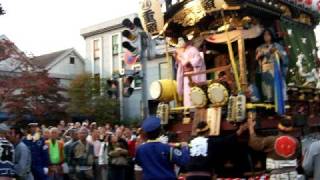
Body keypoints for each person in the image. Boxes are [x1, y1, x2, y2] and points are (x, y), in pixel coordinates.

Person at [248, 115, 299, 179]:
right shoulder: (296, 142)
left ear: (278, 127)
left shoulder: (271, 140)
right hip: (293, 175)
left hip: (277, 176)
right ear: (291, 129)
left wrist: (251, 128)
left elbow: (255, 143)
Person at [256, 29, 288, 114]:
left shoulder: (277, 45)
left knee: (277, 90)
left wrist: (276, 52)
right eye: (265, 35)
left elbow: (284, 57)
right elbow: (257, 58)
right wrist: (265, 52)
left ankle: (280, 111)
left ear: (271, 36)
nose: (266, 37)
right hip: (265, 72)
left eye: (268, 35)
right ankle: (269, 111)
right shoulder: (260, 47)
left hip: (275, 70)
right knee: (267, 91)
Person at [175, 38, 206, 107]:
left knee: (196, 96)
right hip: (186, 77)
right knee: (188, 96)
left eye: (181, 40)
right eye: (179, 40)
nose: (180, 42)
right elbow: (181, 64)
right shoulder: (182, 51)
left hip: (194, 75)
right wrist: (179, 57)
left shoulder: (193, 50)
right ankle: (189, 111)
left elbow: (190, 62)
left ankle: (195, 108)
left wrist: (182, 58)